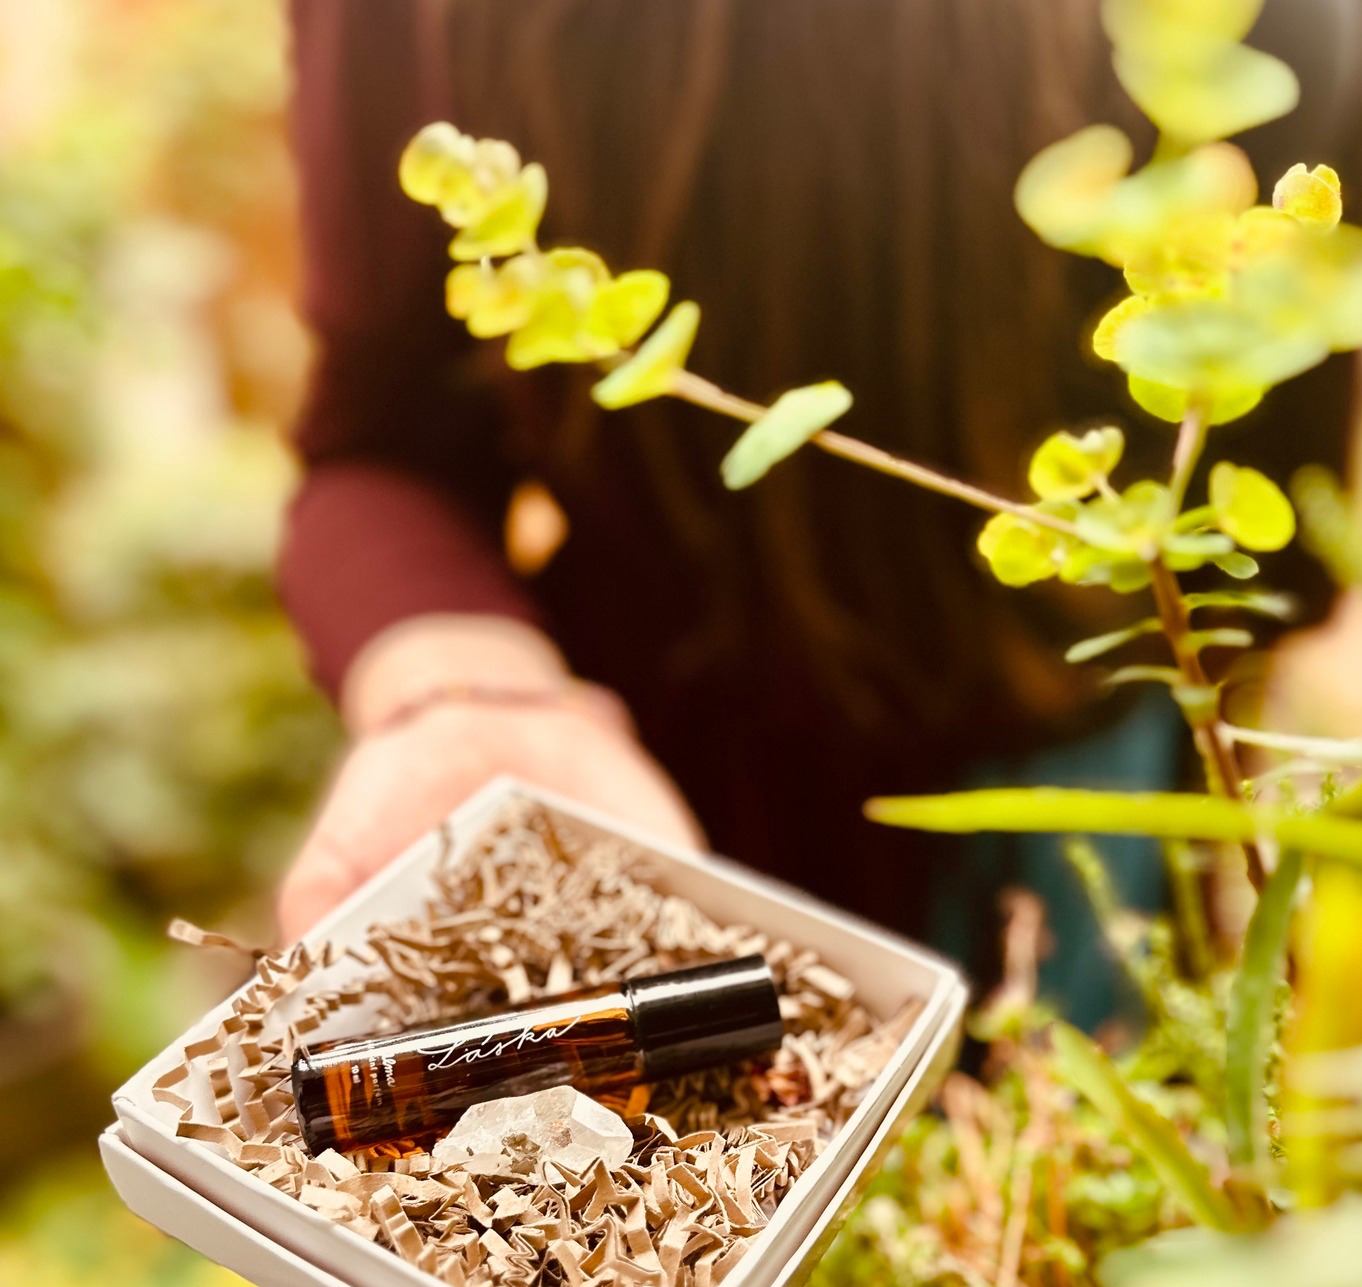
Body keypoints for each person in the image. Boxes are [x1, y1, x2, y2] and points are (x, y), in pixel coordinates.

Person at [277, 0, 1361, 1002]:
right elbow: (383, 436)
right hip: (640, 783)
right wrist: (464, 699)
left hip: (1082, 786)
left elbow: (1286, 485)